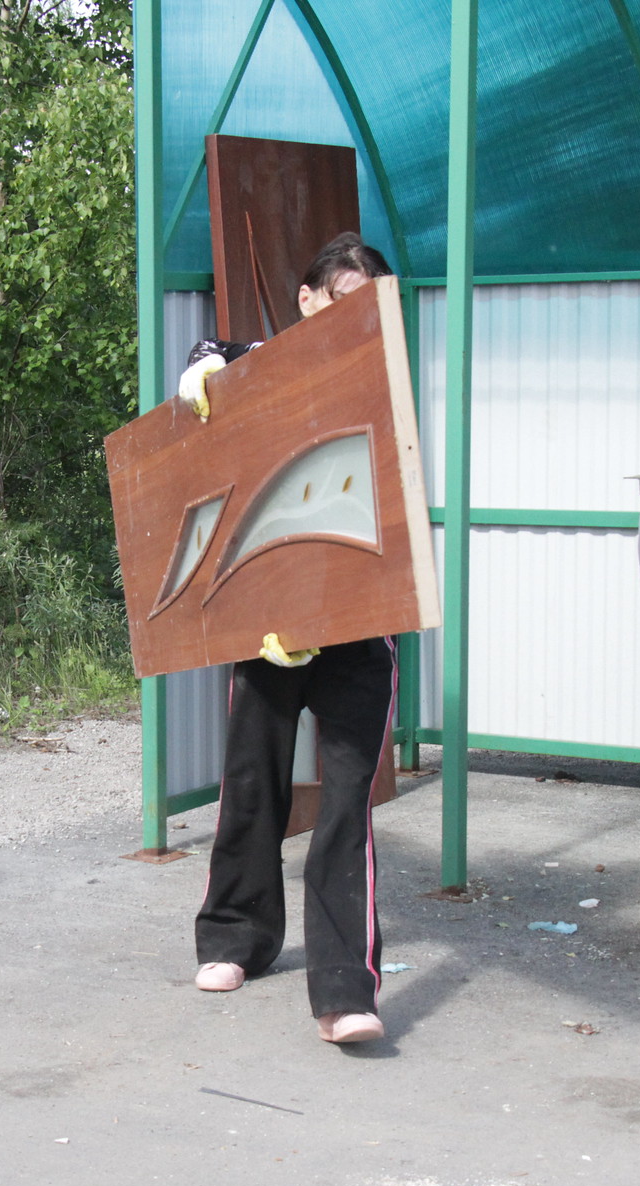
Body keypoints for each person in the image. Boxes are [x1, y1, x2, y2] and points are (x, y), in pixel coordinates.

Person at [178, 232, 399, 1046]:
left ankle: (346, 987)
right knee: (253, 781)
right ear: (307, 300)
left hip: (359, 623)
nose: (355, 318)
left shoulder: (383, 375)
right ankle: (235, 936)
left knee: (347, 803)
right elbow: (208, 356)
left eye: (369, 305)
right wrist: (207, 379)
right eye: (342, 300)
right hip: (269, 628)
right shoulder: (256, 359)